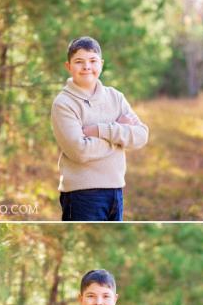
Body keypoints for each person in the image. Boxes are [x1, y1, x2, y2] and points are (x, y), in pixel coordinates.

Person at [51, 36, 149, 221]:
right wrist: (120, 136)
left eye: (93, 61)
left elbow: (142, 135)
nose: (87, 66)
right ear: (68, 66)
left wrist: (100, 130)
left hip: (116, 192)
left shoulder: (115, 97)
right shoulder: (63, 104)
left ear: (101, 64)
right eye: (79, 62)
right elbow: (80, 151)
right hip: (82, 195)